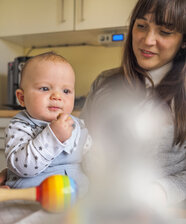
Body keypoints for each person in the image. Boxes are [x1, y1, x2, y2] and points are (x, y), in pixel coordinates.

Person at [80, 0, 186, 206]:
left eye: (164, 31)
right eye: (141, 26)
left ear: (183, 40)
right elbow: (76, 146)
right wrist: (26, 174)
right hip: (95, 208)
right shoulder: (104, 82)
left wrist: (158, 192)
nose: (147, 40)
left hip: (162, 217)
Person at [3, 52, 91, 197]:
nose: (57, 96)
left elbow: (91, 159)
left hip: (77, 200)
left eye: (66, 91)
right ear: (22, 98)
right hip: (33, 201)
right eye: (45, 88)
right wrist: (53, 137)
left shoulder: (78, 125)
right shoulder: (20, 126)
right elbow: (22, 168)